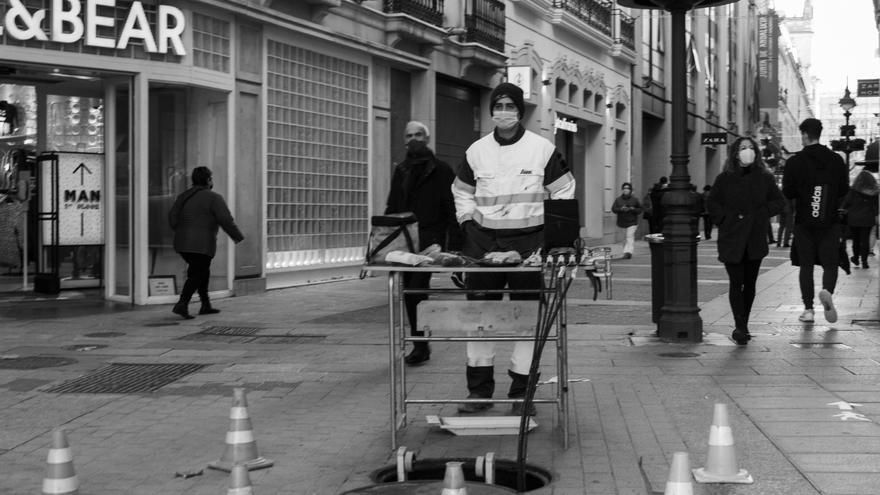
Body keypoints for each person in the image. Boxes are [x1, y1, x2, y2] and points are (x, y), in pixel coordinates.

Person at [451, 82, 575, 415]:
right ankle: (479, 392)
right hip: (483, 246)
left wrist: (551, 241)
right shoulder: (476, 151)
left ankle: (522, 392)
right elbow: (461, 191)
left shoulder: (542, 150)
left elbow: (564, 192)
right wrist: (467, 224)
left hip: (529, 246)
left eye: (510, 106)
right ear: (491, 109)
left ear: (520, 111)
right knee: (480, 319)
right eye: (498, 105)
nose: (503, 111)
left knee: (526, 321)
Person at [385, 121, 460, 366]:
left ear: (427, 139)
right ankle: (421, 343)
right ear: (404, 140)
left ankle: (420, 345)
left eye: (419, 134)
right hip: (406, 242)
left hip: (431, 242)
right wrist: (386, 242)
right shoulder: (402, 170)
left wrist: (453, 245)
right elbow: (393, 206)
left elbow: (452, 209)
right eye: (409, 135)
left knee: (417, 290)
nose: (414, 138)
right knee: (409, 293)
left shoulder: (442, 170)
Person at [707, 137, 785, 345]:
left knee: (749, 284)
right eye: (743, 148)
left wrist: (761, 214)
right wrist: (725, 218)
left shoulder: (764, 178)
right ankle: (739, 326)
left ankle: (744, 324)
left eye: (751, 148)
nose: (747, 151)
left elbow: (779, 201)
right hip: (732, 237)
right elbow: (712, 202)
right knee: (736, 282)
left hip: (754, 237)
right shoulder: (724, 178)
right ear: (735, 153)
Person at [782, 118, 850, 324]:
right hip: (829, 222)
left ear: (804, 134)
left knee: (806, 266)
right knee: (830, 264)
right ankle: (827, 291)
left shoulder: (795, 161)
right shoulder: (836, 160)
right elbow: (843, 189)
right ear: (819, 134)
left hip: (804, 222)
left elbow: (788, 191)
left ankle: (809, 309)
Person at [169, 167, 244, 319]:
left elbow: (172, 218)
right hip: (201, 244)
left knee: (202, 271)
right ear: (208, 180)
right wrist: (237, 236)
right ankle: (182, 304)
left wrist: (183, 230)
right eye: (211, 178)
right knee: (197, 274)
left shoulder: (183, 196)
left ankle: (205, 305)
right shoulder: (214, 198)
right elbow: (225, 220)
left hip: (182, 244)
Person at [842, 167, 879, 269]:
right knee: (865, 240)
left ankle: (856, 259)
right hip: (868, 218)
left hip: (854, 218)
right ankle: (865, 262)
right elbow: (876, 206)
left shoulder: (853, 191)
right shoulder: (875, 192)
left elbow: (846, 203)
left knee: (856, 240)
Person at [611, 182, 642, 259]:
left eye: (627, 188)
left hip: (632, 222)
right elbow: (614, 209)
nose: (625, 190)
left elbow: (640, 210)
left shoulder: (635, 200)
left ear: (630, 190)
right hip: (621, 222)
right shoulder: (618, 200)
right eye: (624, 188)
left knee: (629, 237)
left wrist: (633, 209)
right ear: (622, 190)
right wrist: (621, 209)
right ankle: (626, 251)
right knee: (623, 238)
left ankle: (628, 252)